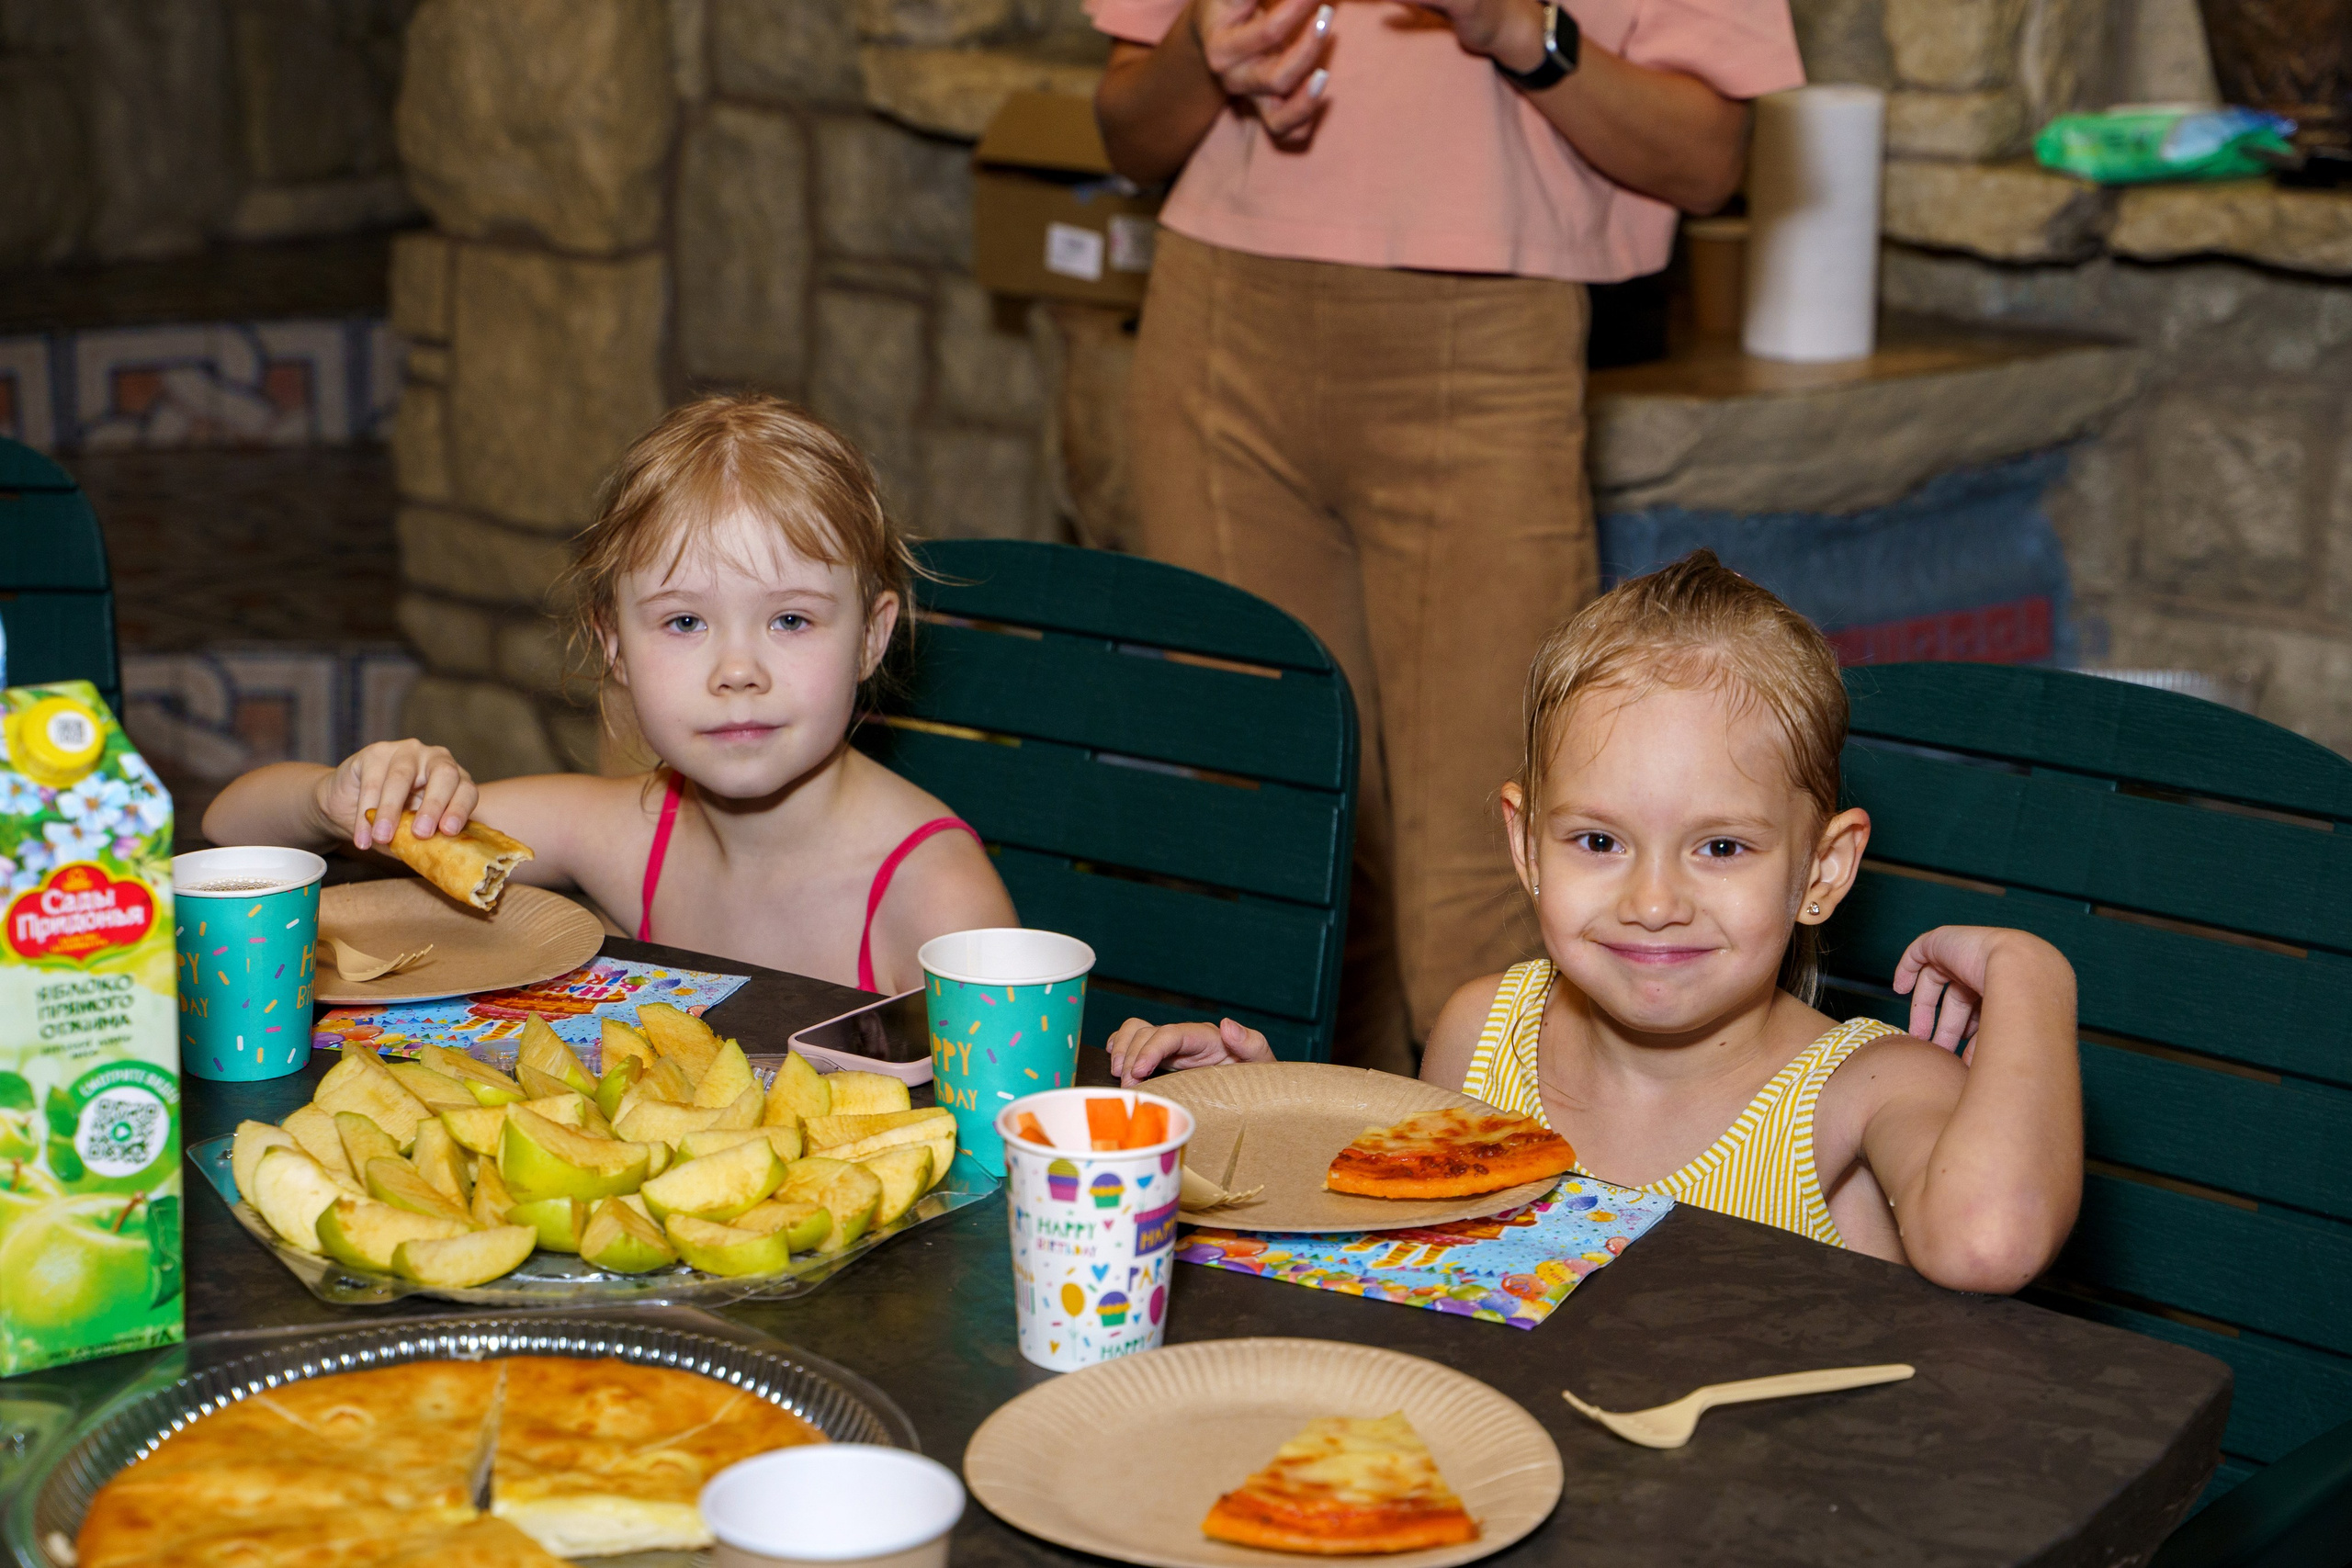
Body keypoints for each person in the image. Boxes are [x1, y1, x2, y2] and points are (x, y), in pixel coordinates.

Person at [1090, 0, 1809, 1077]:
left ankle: (1499, 1226)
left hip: (1487, 345)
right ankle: (1271, 1214)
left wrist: (1526, 30)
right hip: (1213, 323)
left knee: (1494, 864)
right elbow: (1126, 130)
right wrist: (1203, 52)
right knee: (1268, 851)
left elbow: (1709, 159)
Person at [1106, 553, 2084, 1291]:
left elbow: (1988, 1242)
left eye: (1721, 849)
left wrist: (2032, 974)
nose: (1653, 902)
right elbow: (1405, 1255)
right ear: (1526, 845)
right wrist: (1264, 1117)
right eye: (1598, 843)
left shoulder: (1866, 1093)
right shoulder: (1480, 1032)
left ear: (1821, 869)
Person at [204, 394, 1016, 996]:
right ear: (614, 646)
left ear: (872, 637)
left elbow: (1030, 1127)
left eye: (792, 619)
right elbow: (229, 828)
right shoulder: (625, 832)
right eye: (686, 621)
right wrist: (331, 796)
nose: (738, 670)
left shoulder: (935, 892)